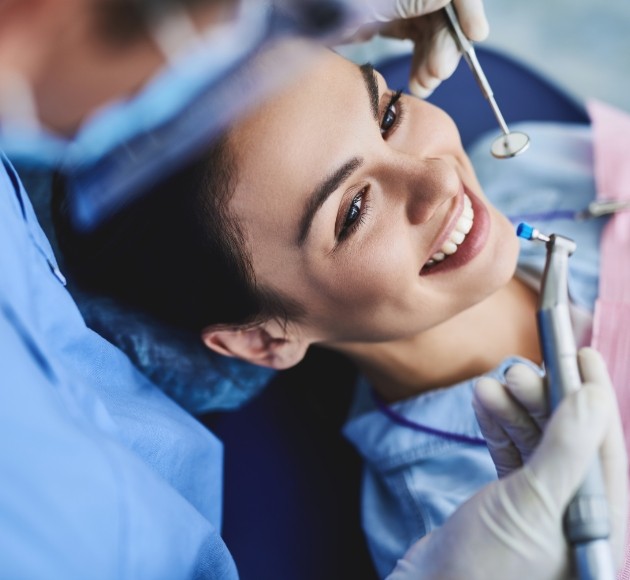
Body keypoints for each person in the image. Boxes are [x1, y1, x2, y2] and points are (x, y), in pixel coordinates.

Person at [53, 42, 628, 578]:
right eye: (353, 211)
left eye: (387, 117)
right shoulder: (456, 526)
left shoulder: (545, 170)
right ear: (264, 340)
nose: (437, 177)